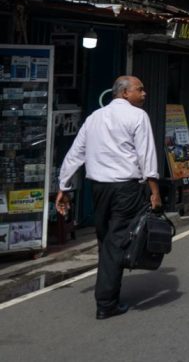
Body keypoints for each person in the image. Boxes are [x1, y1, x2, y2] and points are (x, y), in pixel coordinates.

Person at [55, 76, 160, 320]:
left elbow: (75, 153)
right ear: (124, 93)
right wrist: (154, 191)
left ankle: (109, 289)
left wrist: (64, 186)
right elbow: (147, 156)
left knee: (106, 238)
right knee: (116, 240)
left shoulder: (94, 117)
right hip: (126, 188)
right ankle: (106, 302)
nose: (144, 94)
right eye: (140, 90)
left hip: (99, 189)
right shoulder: (137, 117)